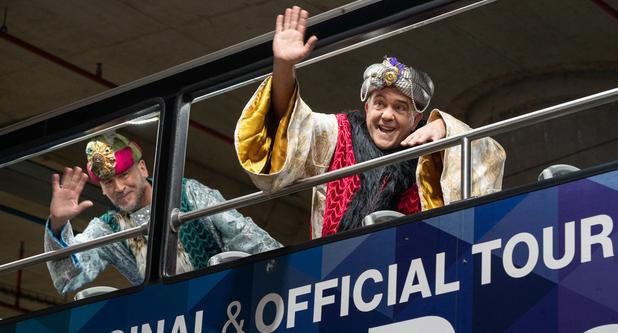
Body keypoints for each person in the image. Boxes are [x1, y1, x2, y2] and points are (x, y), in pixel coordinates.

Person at [234, 6, 506, 239]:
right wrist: (284, 66)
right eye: (379, 104)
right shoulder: (339, 135)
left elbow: (488, 158)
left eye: (400, 108)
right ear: (366, 109)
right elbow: (289, 126)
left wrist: (447, 130)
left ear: (415, 120)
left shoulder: (432, 152)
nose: (387, 115)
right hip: (334, 272)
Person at [44, 133, 281, 295]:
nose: (118, 187)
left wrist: (292, 271)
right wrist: (57, 224)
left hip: (225, 303)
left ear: (143, 168)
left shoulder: (187, 194)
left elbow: (245, 236)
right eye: (108, 182)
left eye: (124, 174)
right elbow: (67, 280)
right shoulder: (108, 227)